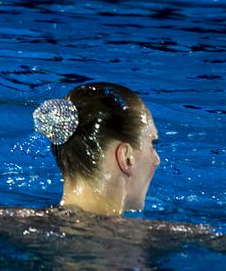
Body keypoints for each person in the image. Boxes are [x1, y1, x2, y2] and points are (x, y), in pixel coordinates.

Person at [33, 82, 160, 216]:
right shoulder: (155, 235)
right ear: (126, 157)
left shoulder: (16, 220)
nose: (157, 160)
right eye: (152, 144)